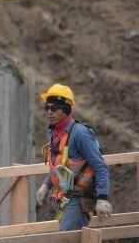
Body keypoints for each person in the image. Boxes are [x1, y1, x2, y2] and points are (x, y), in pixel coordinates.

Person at [35, 84, 111, 230]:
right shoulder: (53, 132)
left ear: (66, 109)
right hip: (63, 198)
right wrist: (46, 186)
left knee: (65, 239)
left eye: (54, 108)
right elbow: (58, 166)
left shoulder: (80, 134)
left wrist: (102, 199)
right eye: (47, 107)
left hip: (78, 200)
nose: (49, 112)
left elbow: (101, 167)